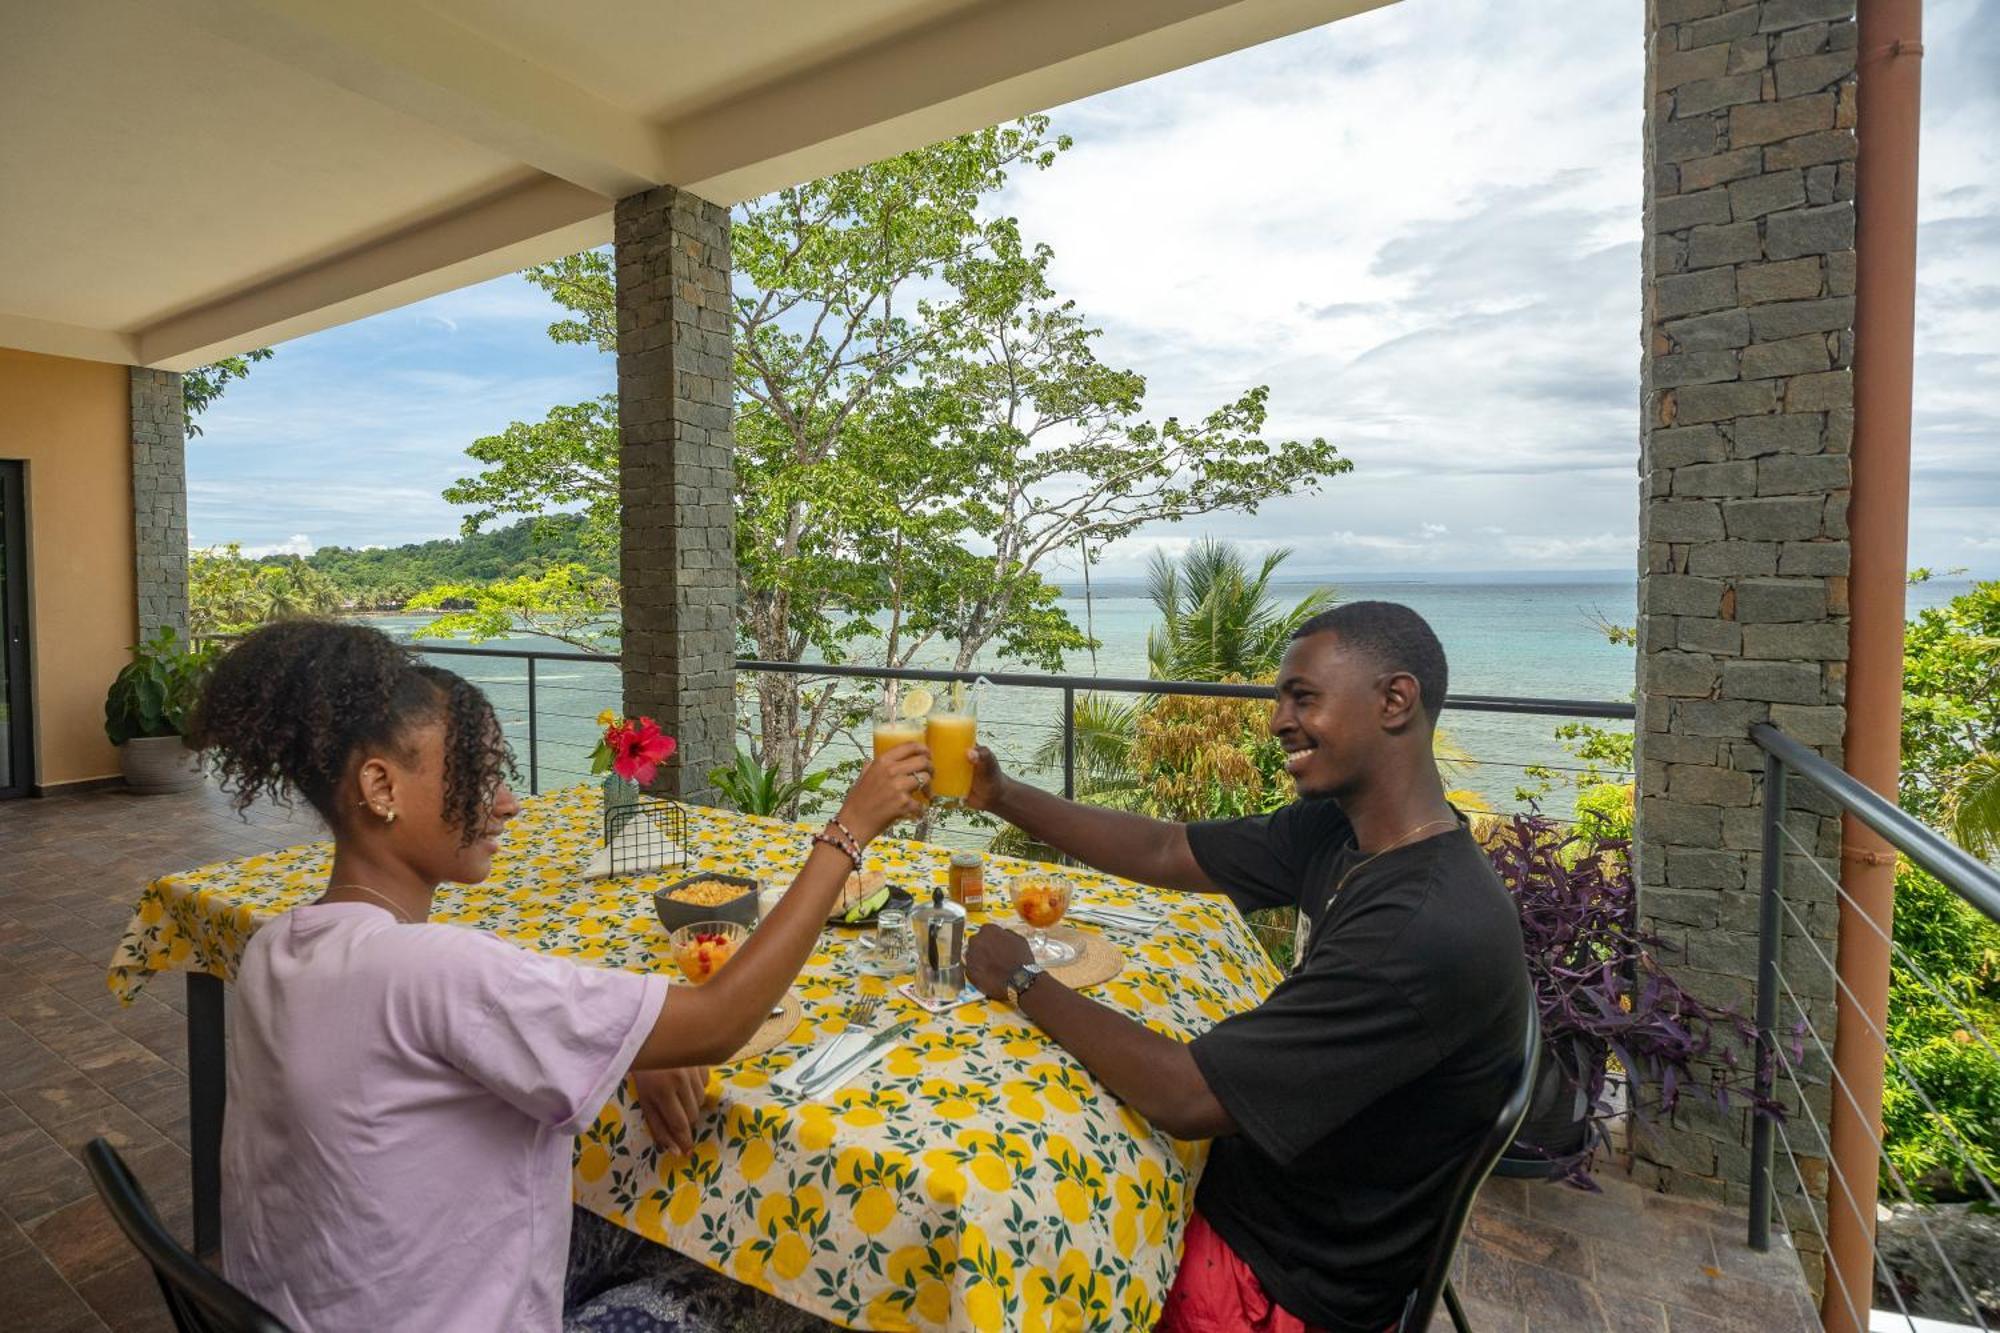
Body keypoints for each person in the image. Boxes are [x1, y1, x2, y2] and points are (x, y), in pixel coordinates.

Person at [191, 621, 926, 1332]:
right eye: (477, 775)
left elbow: (470, 1019)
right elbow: (721, 1019)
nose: (507, 801)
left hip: (314, 1306)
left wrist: (623, 1044)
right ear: (381, 785)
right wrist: (847, 831)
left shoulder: (275, 948)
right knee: (795, 1283)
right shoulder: (429, 971)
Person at [962, 602, 1531, 1333]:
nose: (1275, 722)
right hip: (1274, 1193)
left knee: (1019, 1226)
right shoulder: (1349, 831)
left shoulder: (1420, 929)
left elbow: (1186, 1094)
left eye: (1303, 697)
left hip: (1275, 1278)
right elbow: (1169, 850)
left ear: (1394, 700)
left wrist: (1023, 977)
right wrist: (1004, 795)